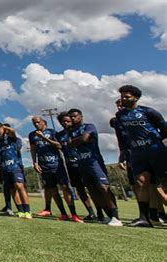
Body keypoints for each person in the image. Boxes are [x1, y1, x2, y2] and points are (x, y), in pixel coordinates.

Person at [115, 85, 166, 227]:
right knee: (140, 183)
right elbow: (121, 138)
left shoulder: (148, 112)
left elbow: (164, 128)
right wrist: (123, 155)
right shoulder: (120, 116)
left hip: (155, 150)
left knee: (164, 181)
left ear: (135, 98)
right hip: (137, 153)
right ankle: (144, 218)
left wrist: (154, 141)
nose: (123, 99)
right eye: (122, 97)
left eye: (127, 96)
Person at [68, 109, 122, 226]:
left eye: (75, 116)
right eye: (71, 117)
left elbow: (84, 138)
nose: (73, 118)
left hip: (94, 161)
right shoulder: (72, 131)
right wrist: (80, 140)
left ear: (81, 116)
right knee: (92, 189)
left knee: (103, 187)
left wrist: (80, 140)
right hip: (82, 163)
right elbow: (71, 144)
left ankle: (116, 217)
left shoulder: (89, 126)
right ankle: (109, 215)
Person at [29, 116, 82, 223]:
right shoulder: (32, 135)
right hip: (44, 166)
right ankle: (63, 213)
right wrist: (35, 162)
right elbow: (33, 149)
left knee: (64, 187)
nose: (36, 125)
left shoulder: (52, 132)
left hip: (57, 165)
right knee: (53, 190)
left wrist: (44, 138)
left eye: (38, 122)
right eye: (34, 123)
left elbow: (59, 146)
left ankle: (74, 214)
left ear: (44, 122)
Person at [56, 112, 97, 221]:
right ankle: (91, 212)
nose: (65, 123)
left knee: (92, 188)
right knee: (80, 190)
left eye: (68, 121)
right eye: (63, 121)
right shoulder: (60, 135)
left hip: (83, 162)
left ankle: (101, 212)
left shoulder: (78, 131)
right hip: (71, 165)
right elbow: (59, 146)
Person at [0, 122, 32, 219]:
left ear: (4, 129)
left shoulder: (13, 139)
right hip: (4, 168)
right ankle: (20, 211)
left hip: (15, 166)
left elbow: (13, 132)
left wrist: (4, 127)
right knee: (12, 189)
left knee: (19, 186)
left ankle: (27, 211)